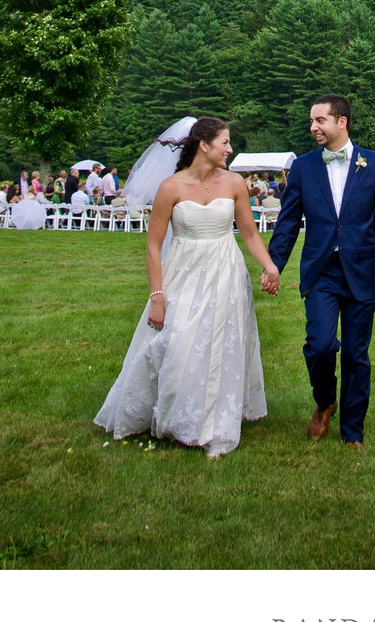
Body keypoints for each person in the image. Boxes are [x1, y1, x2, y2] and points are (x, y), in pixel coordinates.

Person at [95, 116, 281, 458]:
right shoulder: (172, 187)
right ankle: (172, 414)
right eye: (225, 142)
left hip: (226, 271)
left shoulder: (235, 183)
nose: (230, 149)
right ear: (204, 145)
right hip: (183, 271)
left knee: (219, 346)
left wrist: (270, 267)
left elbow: (250, 234)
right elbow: (153, 246)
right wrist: (157, 296)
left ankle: (211, 423)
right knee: (176, 344)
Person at [266, 94, 375, 449]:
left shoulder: (374, 165)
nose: (313, 127)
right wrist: (274, 265)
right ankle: (325, 400)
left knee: (357, 354)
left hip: (362, 269)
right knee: (321, 346)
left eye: (319, 121)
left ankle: (353, 431)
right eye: (312, 122)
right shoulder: (303, 167)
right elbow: (287, 222)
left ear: (341, 122)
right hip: (321, 271)